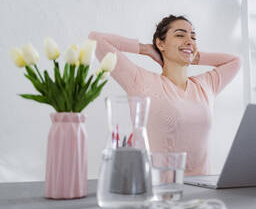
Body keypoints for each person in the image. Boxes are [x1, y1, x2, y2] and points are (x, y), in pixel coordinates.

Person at [89, 15, 241, 176]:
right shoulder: (139, 80)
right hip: (155, 190)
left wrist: (192, 55)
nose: (189, 40)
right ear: (161, 43)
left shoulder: (206, 85)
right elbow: (96, 39)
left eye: (193, 37)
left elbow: (236, 61)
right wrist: (146, 49)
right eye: (180, 35)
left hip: (201, 190)